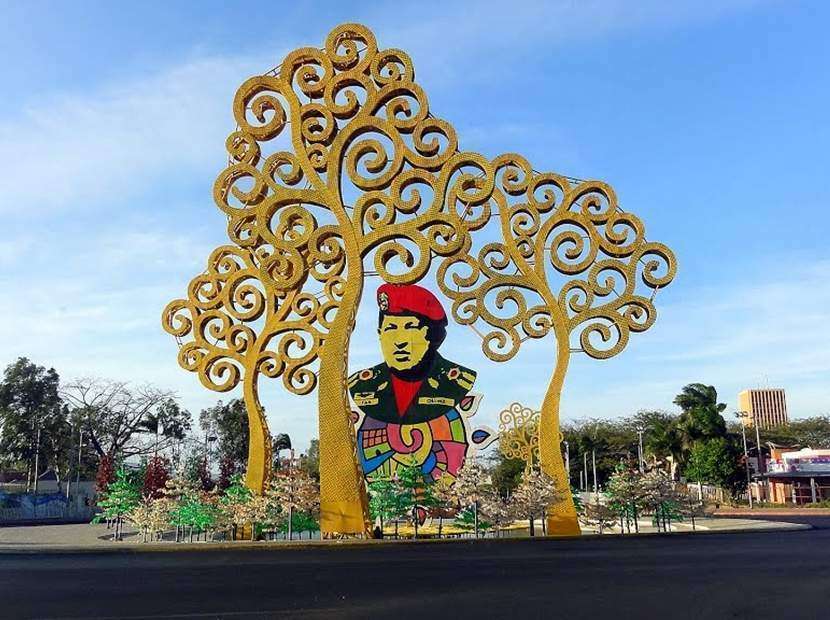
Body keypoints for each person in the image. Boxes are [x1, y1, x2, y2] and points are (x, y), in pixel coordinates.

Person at [349, 283, 478, 483]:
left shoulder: (454, 382)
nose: (399, 341)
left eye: (410, 327)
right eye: (391, 328)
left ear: (431, 335)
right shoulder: (362, 385)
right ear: (380, 334)